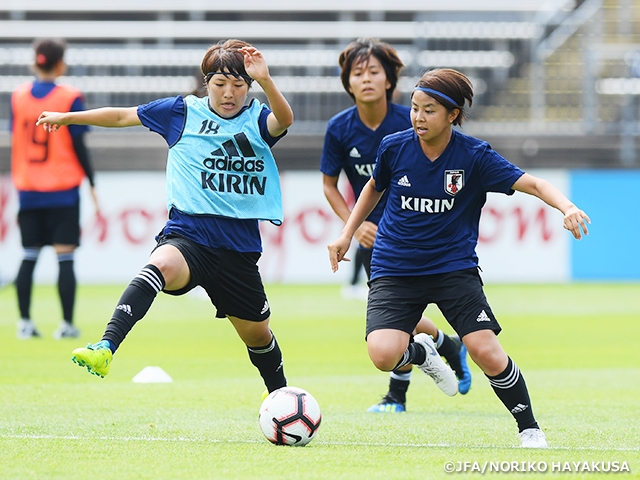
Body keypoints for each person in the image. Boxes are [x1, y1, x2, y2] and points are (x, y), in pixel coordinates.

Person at [327, 67, 591, 448]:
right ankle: (424, 353)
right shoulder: (394, 146)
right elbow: (372, 187)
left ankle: (529, 428)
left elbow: (533, 183)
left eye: (429, 110)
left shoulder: (474, 156)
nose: (418, 117)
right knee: (383, 354)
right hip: (395, 266)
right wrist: (346, 234)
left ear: (453, 115)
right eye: (415, 108)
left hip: (453, 268)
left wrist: (566, 206)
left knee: (486, 351)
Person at [36, 39, 294, 396]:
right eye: (220, 84)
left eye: (238, 85)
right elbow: (123, 115)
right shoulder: (182, 112)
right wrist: (68, 117)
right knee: (160, 264)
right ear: (207, 84)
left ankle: (281, 396)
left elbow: (285, 120)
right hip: (189, 234)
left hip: (239, 247)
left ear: (248, 87)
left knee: (258, 334)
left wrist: (266, 80)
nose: (229, 93)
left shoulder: (256, 118)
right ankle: (106, 346)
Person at [321, 38, 471, 413]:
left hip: (414, 232)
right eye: (358, 73)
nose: (367, 79)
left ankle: (397, 395)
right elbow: (329, 184)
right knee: (396, 315)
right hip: (375, 237)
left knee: (397, 318)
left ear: (390, 81)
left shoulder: (415, 118)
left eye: (375, 72)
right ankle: (446, 345)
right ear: (348, 82)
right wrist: (353, 228)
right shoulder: (340, 128)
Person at [10, 38, 99, 340]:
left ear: (36, 62)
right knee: (65, 258)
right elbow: (78, 143)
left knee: (28, 255)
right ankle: (66, 325)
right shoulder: (70, 97)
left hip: (28, 188)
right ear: (61, 64)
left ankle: (24, 322)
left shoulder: (18, 96)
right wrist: (92, 181)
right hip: (62, 189)